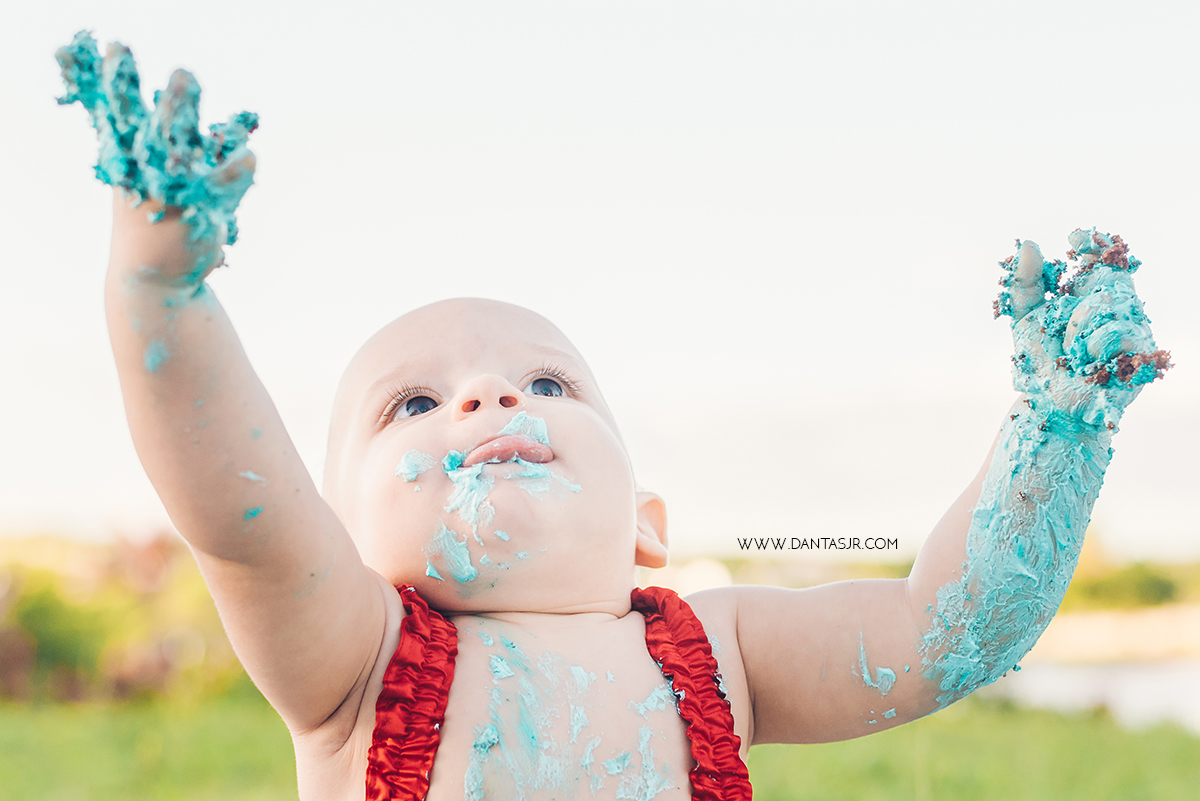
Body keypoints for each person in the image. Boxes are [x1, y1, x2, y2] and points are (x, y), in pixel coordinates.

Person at [56, 31, 1171, 801]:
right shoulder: (359, 660)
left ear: (645, 523)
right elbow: (236, 515)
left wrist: (1059, 434)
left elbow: (946, 631)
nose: (489, 398)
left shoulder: (722, 647)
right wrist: (161, 295)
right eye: (413, 403)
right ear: (339, 543)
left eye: (549, 386)